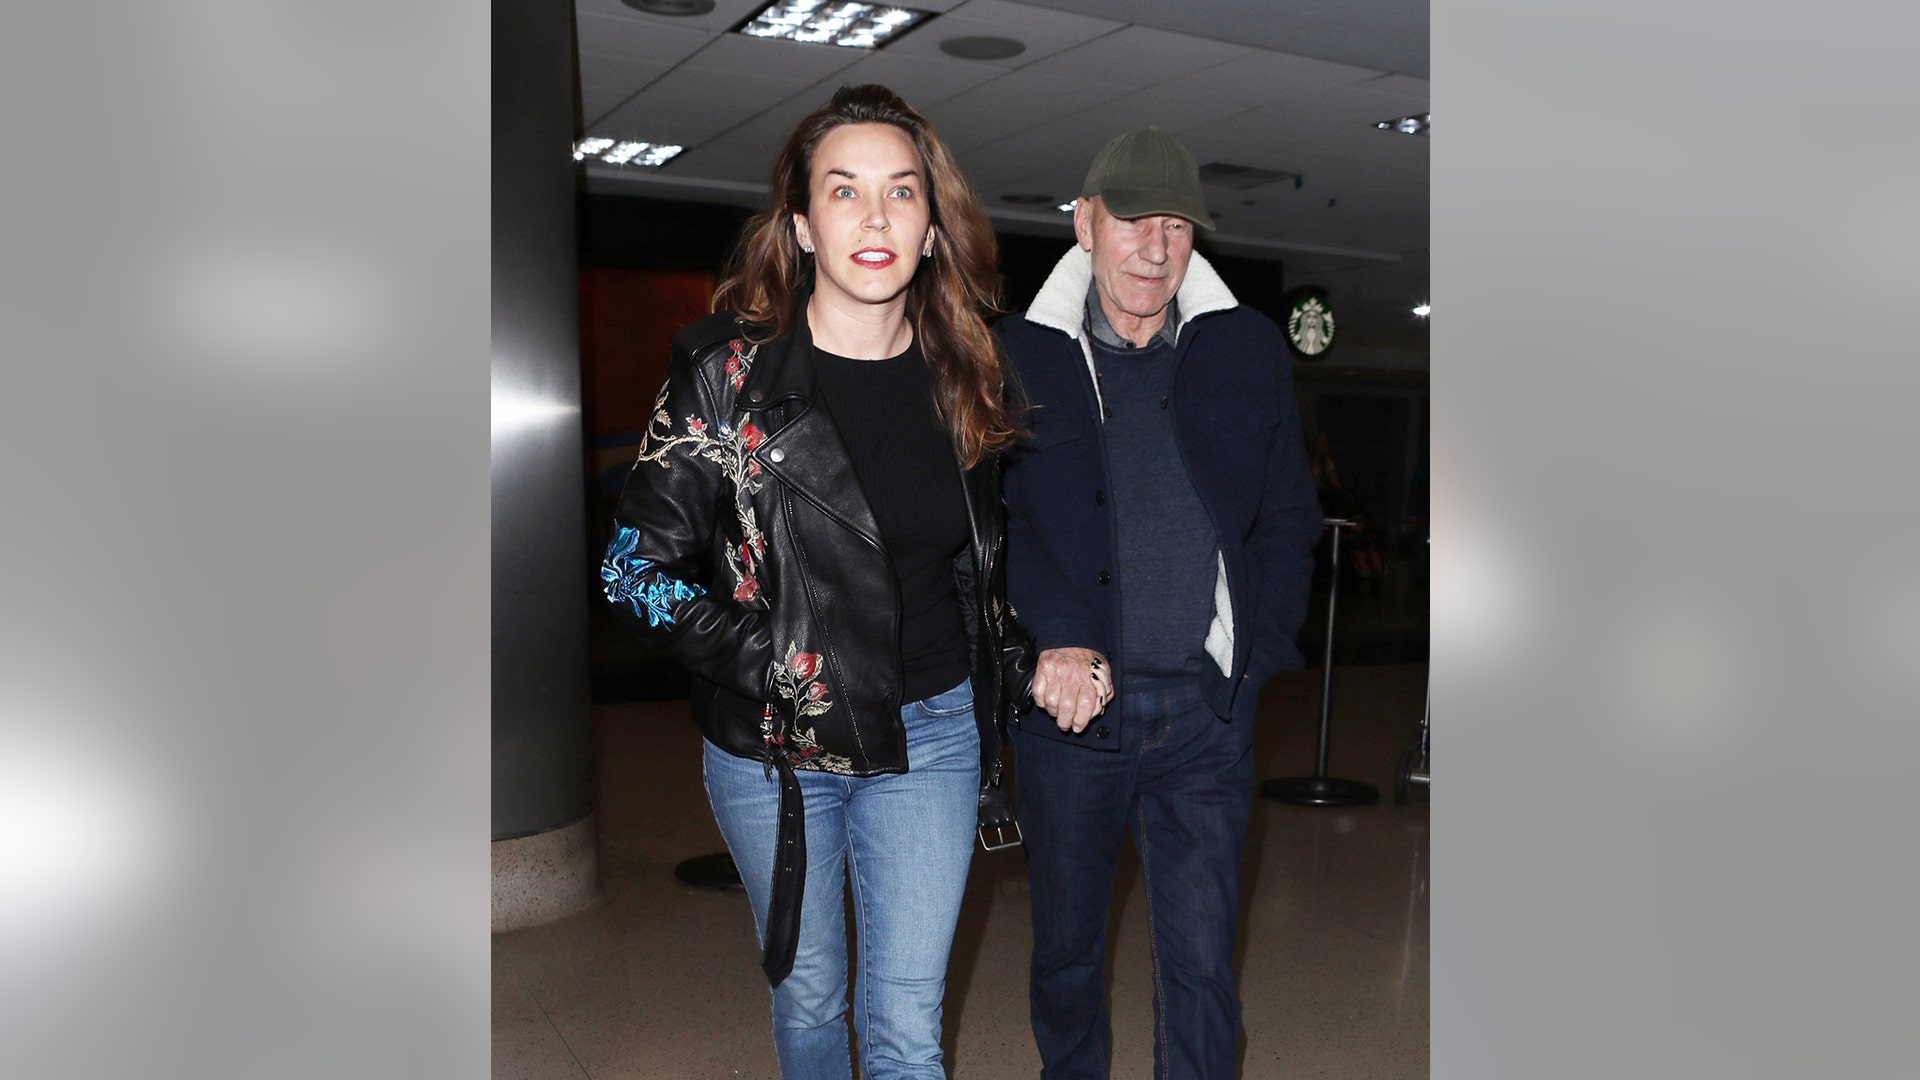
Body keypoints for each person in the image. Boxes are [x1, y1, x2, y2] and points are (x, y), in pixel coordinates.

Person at [599, 84, 1045, 1080]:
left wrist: (1019, 658)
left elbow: (973, 570)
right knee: (811, 997)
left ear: (933, 228)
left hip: (929, 729)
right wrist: (776, 659)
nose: (875, 217)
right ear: (802, 225)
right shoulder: (725, 378)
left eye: (902, 193)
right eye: (844, 192)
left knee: (905, 1026)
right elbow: (634, 573)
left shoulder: (968, 377)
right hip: (771, 745)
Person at [996, 126, 1323, 1078]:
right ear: (1084, 223)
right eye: (1134, 219)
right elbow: (990, 536)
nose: (1157, 244)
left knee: (1202, 969)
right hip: (1067, 725)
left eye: (1179, 224)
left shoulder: (1247, 350)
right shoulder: (1016, 357)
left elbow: (1288, 516)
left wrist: (1252, 662)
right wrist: (1045, 645)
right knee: (1065, 957)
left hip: (1205, 717)